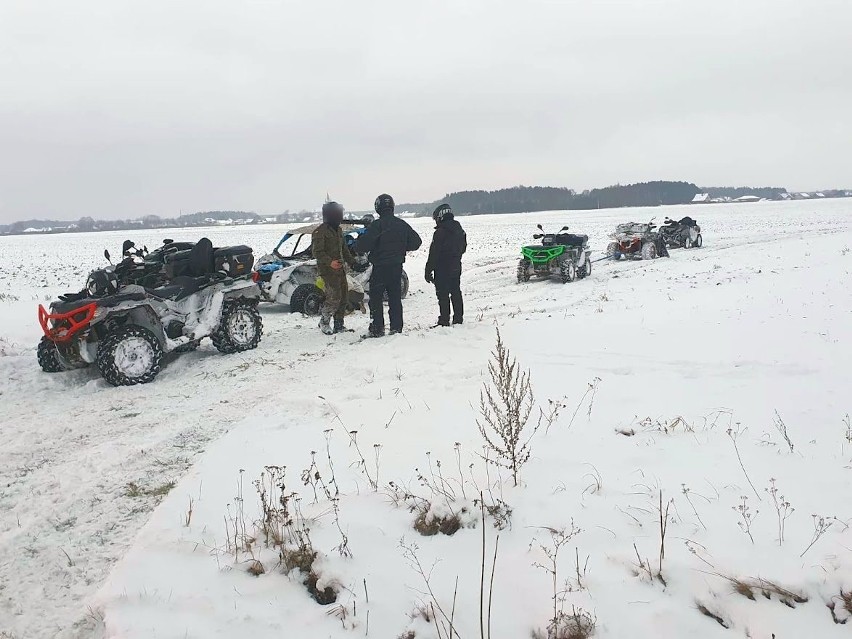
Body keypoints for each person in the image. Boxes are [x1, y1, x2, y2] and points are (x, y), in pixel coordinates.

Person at [355, 193, 422, 337]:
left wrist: (360, 239)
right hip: (396, 267)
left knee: (376, 300)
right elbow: (416, 242)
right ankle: (396, 329)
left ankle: (377, 329)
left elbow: (362, 246)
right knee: (395, 299)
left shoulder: (377, 226)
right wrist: (402, 247)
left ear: (378, 207)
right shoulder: (402, 224)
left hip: (379, 268)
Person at [312, 201, 361, 334]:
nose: (340, 216)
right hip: (327, 271)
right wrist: (330, 262)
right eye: (337, 213)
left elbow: (344, 250)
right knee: (334, 297)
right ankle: (324, 322)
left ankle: (339, 325)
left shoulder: (339, 230)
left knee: (344, 297)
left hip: (340, 270)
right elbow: (317, 252)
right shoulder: (319, 231)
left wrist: (353, 263)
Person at [425, 203, 467, 326]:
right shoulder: (460, 230)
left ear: (440, 217)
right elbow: (463, 248)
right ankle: (458, 319)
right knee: (456, 292)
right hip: (456, 266)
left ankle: (444, 320)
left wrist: (428, 270)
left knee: (443, 295)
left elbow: (434, 253)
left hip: (442, 268)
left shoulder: (440, 232)